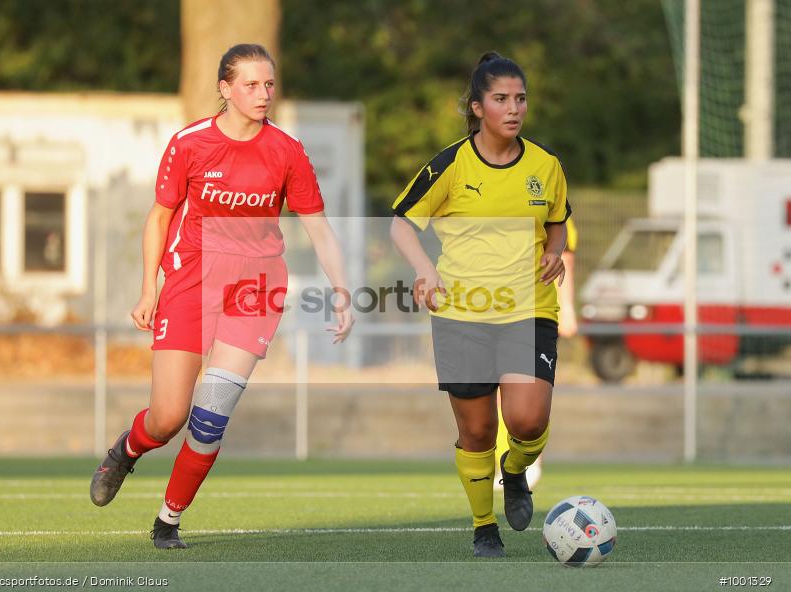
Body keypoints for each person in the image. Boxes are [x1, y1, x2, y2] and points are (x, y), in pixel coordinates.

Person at [90, 43, 353, 549]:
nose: (263, 94)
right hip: (192, 282)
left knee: (210, 417)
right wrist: (150, 288)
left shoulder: (287, 150)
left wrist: (342, 291)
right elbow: (160, 217)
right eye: (251, 85)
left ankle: (168, 518)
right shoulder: (190, 143)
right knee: (168, 417)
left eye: (270, 84)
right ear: (224, 89)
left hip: (256, 287)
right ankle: (126, 450)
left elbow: (317, 226)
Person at [390, 52, 571, 558]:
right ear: (477, 107)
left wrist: (555, 251)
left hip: (528, 309)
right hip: (461, 311)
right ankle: (482, 525)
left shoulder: (546, 165)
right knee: (476, 430)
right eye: (501, 99)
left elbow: (558, 219)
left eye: (520, 98)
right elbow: (401, 223)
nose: (514, 108)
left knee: (528, 421)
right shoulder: (450, 164)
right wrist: (425, 268)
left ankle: (514, 471)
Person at [495, 215, 578, 490]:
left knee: (530, 397)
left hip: (535, 310)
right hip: (492, 307)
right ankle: (502, 463)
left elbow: (565, 252)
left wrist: (566, 306)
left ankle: (529, 461)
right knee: (498, 395)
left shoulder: (549, 197)